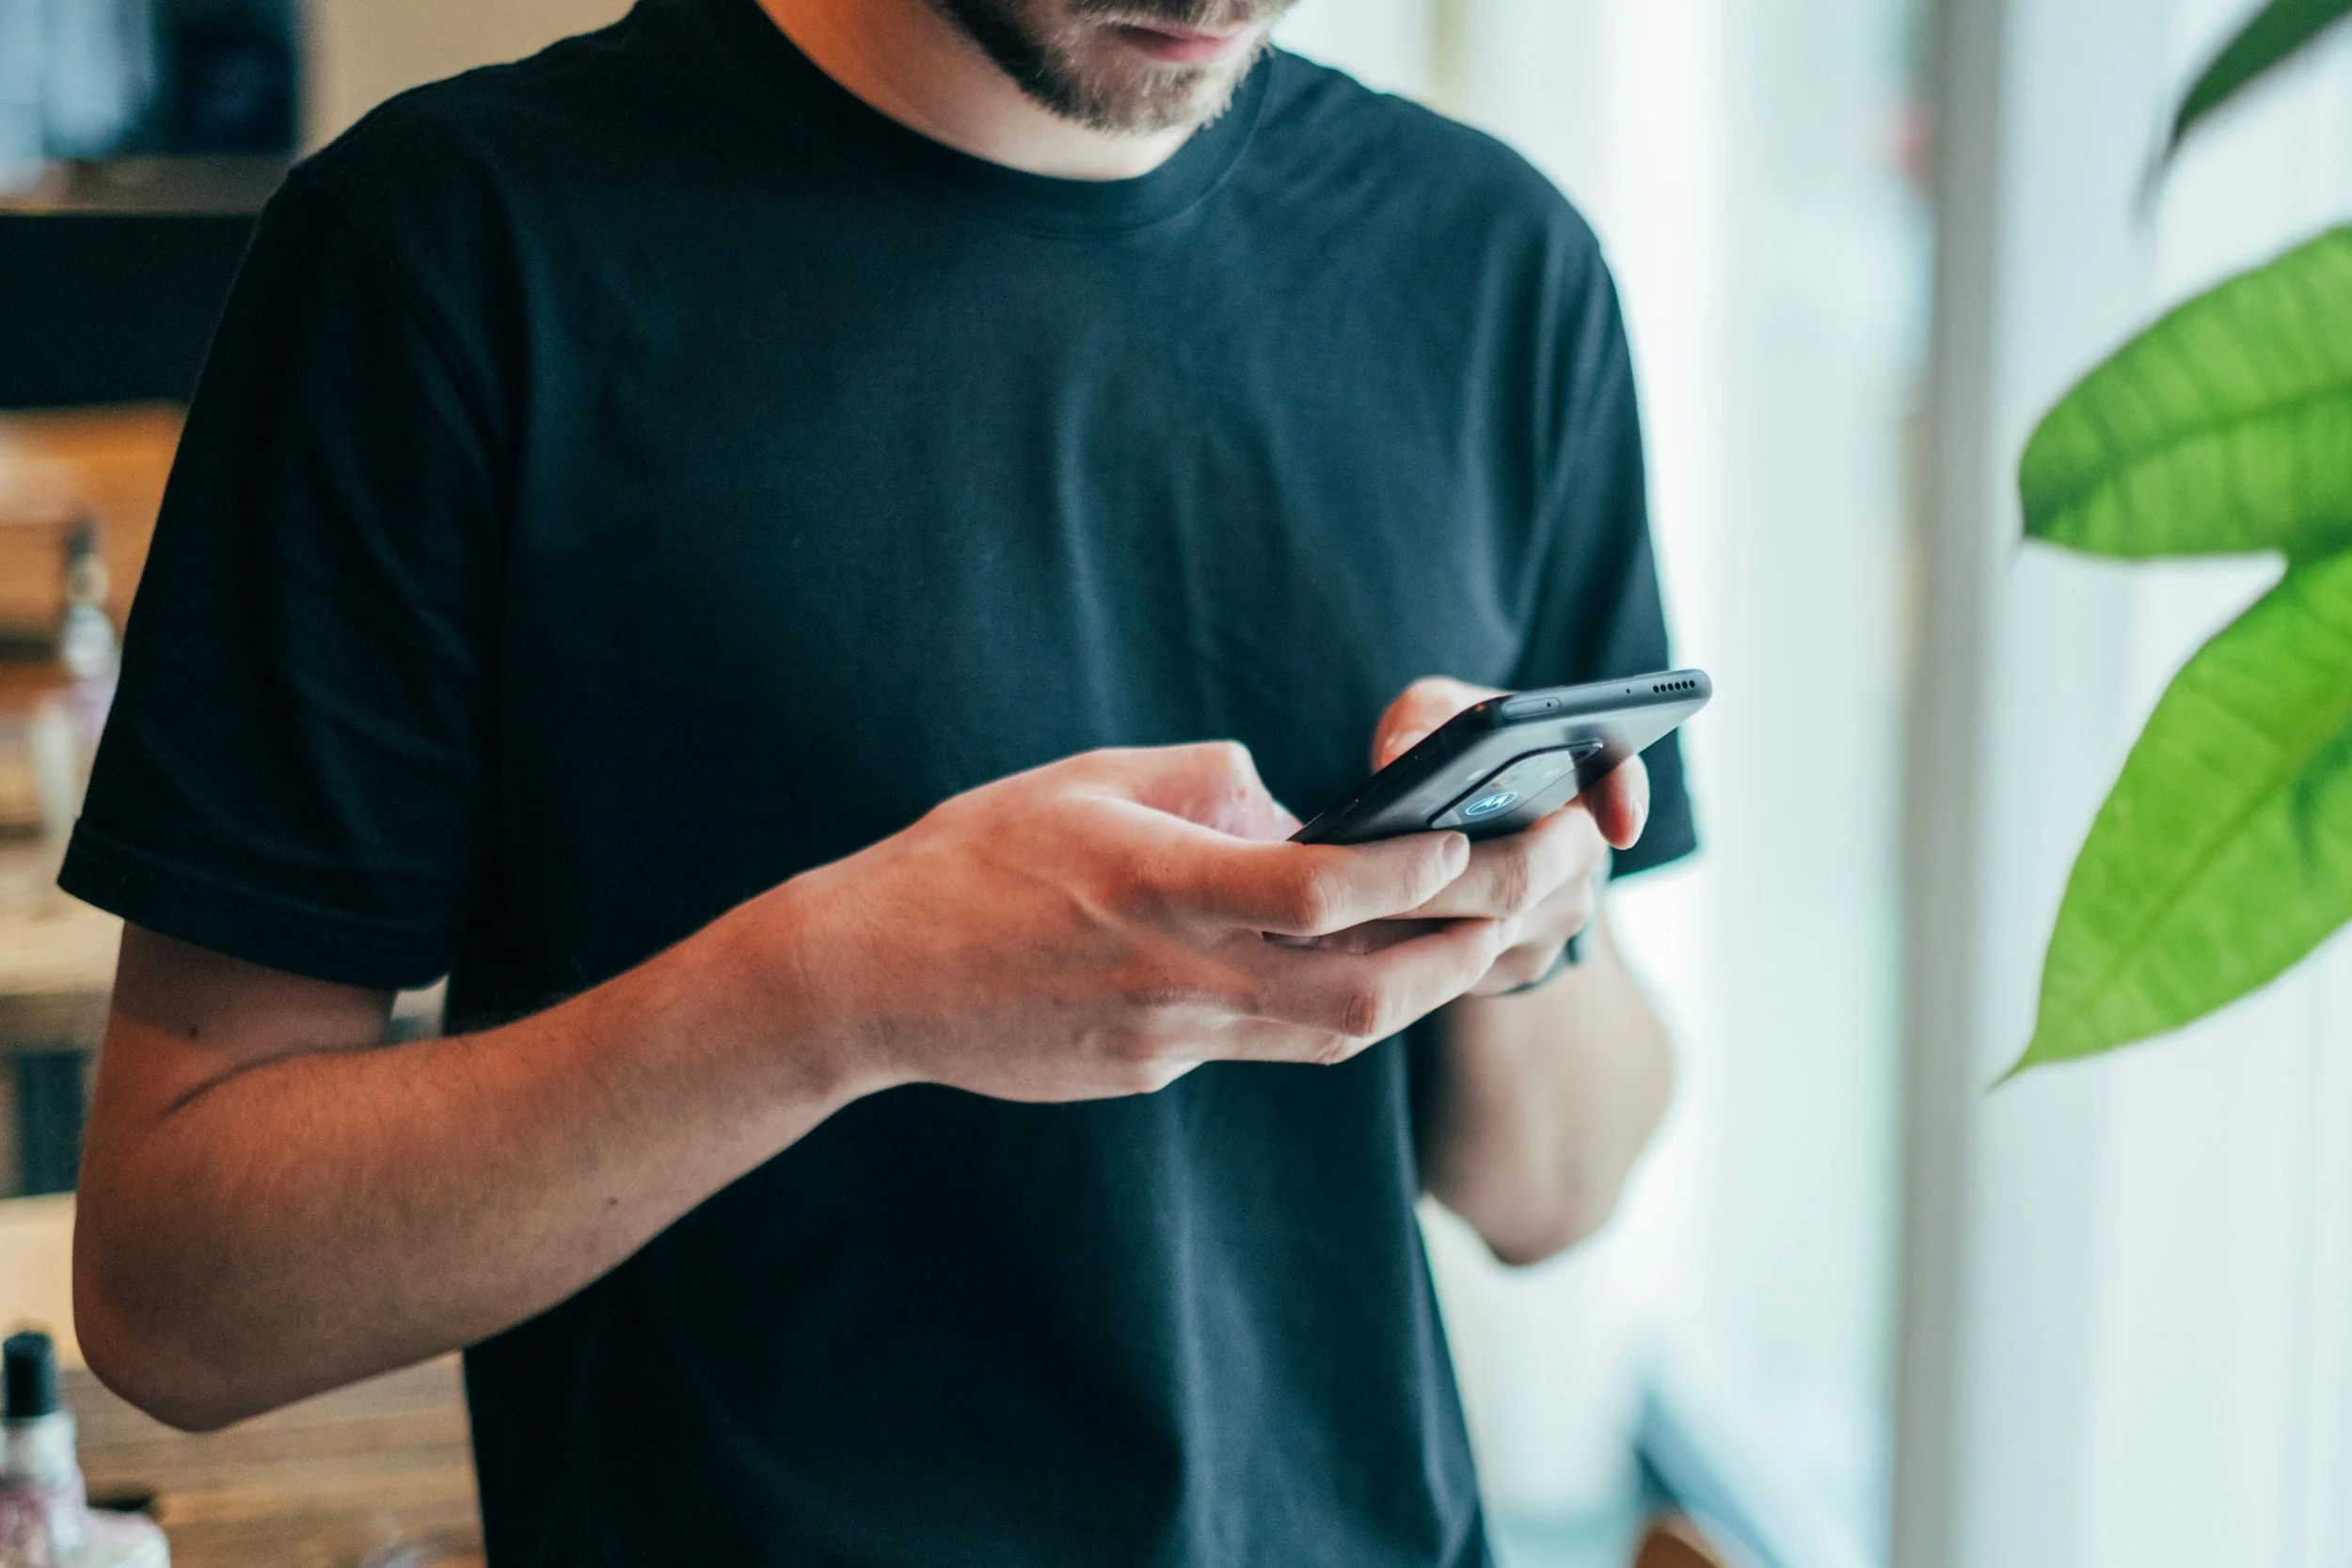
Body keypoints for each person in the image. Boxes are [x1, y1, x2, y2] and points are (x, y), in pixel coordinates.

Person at [61, 0, 1696, 1562]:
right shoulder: (441, 256)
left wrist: (1523, 927)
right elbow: (184, 1292)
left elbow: (1553, 1190)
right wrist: (839, 993)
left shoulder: (1498, 266)